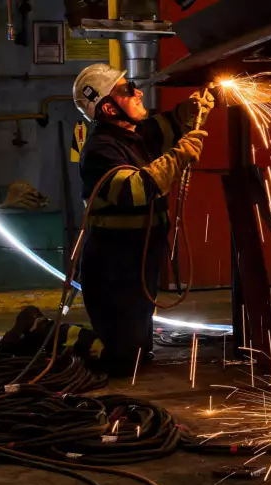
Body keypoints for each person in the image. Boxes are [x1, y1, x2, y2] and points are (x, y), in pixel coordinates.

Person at [72, 63, 214, 376]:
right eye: (127, 89)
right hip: (114, 259)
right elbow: (136, 190)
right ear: (109, 107)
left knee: (139, 341)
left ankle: (131, 355)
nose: (137, 92)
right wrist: (178, 157)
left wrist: (188, 112)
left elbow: (165, 127)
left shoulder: (133, 133)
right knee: (124, 354)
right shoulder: (102, 148)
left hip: (137, 252)